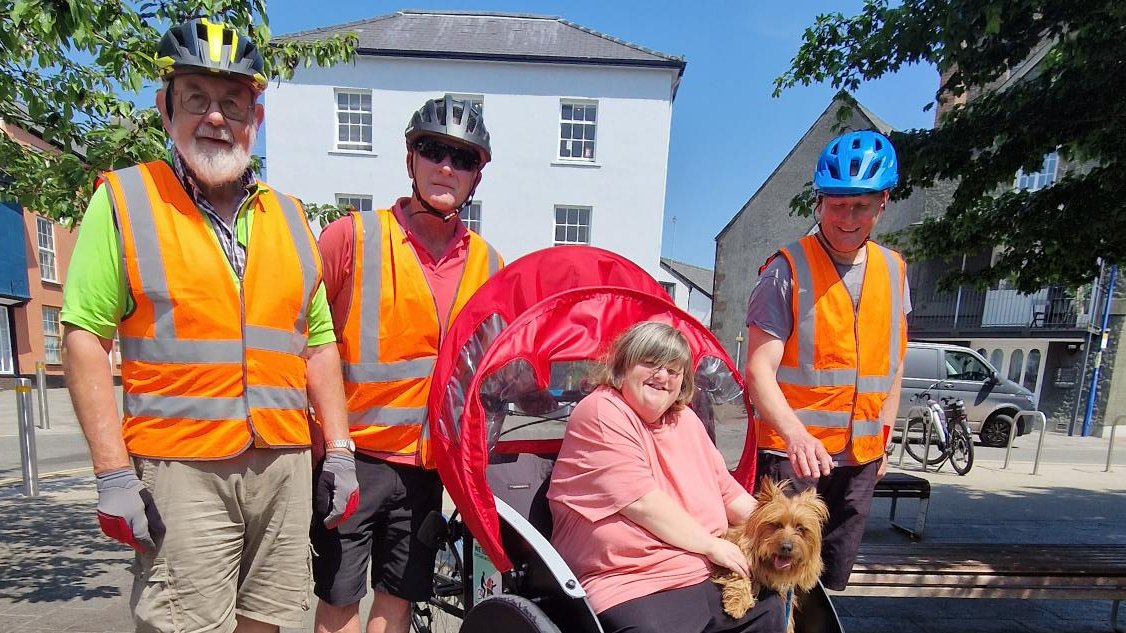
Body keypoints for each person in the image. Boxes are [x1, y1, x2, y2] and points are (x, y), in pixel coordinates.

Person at [60, 18, 359, 633]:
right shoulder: (126, 200)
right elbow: (85, 336)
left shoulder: (292, 217)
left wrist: (340, 453)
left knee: (269, 620)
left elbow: (319, 344)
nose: (216, 117)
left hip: (283, 465)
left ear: (257, 115)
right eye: (197, 98)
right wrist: (113, 473)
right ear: (166, 108)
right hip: (181, 471)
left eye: (233, 102)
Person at [313, 95, 503, 633]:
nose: (446, 165)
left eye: (462, 157)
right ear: (410, 158)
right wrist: (321, 448)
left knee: (398, 600)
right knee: (338, 602)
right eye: (433, 149)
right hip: (353, 458)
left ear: (475, 176)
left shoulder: (490, 263)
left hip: (427, 469)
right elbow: (301, 339)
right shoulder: (352, 236)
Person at [745, 130, 909, 595]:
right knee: (774, 577)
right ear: (818, 202)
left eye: (860, 205)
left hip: (860, 458)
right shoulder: (785, 270)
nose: (848, 218)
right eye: (837, 204)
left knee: (826, 579)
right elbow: (759, 370)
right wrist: (796, 435)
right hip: (793, 455)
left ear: (883, 203)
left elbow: (893, 361)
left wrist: (884, 435)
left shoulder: (895, 270)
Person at [548, 321, 784, 633]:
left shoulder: (685, 419)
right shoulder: (601, 411)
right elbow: (642, 503)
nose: (662, 376)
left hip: (704, 570)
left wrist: (782, 526)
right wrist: (711, 544)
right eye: (650, 364)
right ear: (622, 367)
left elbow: (728, 493)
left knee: (770, 607)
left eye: (674, 370)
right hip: (632, 580)